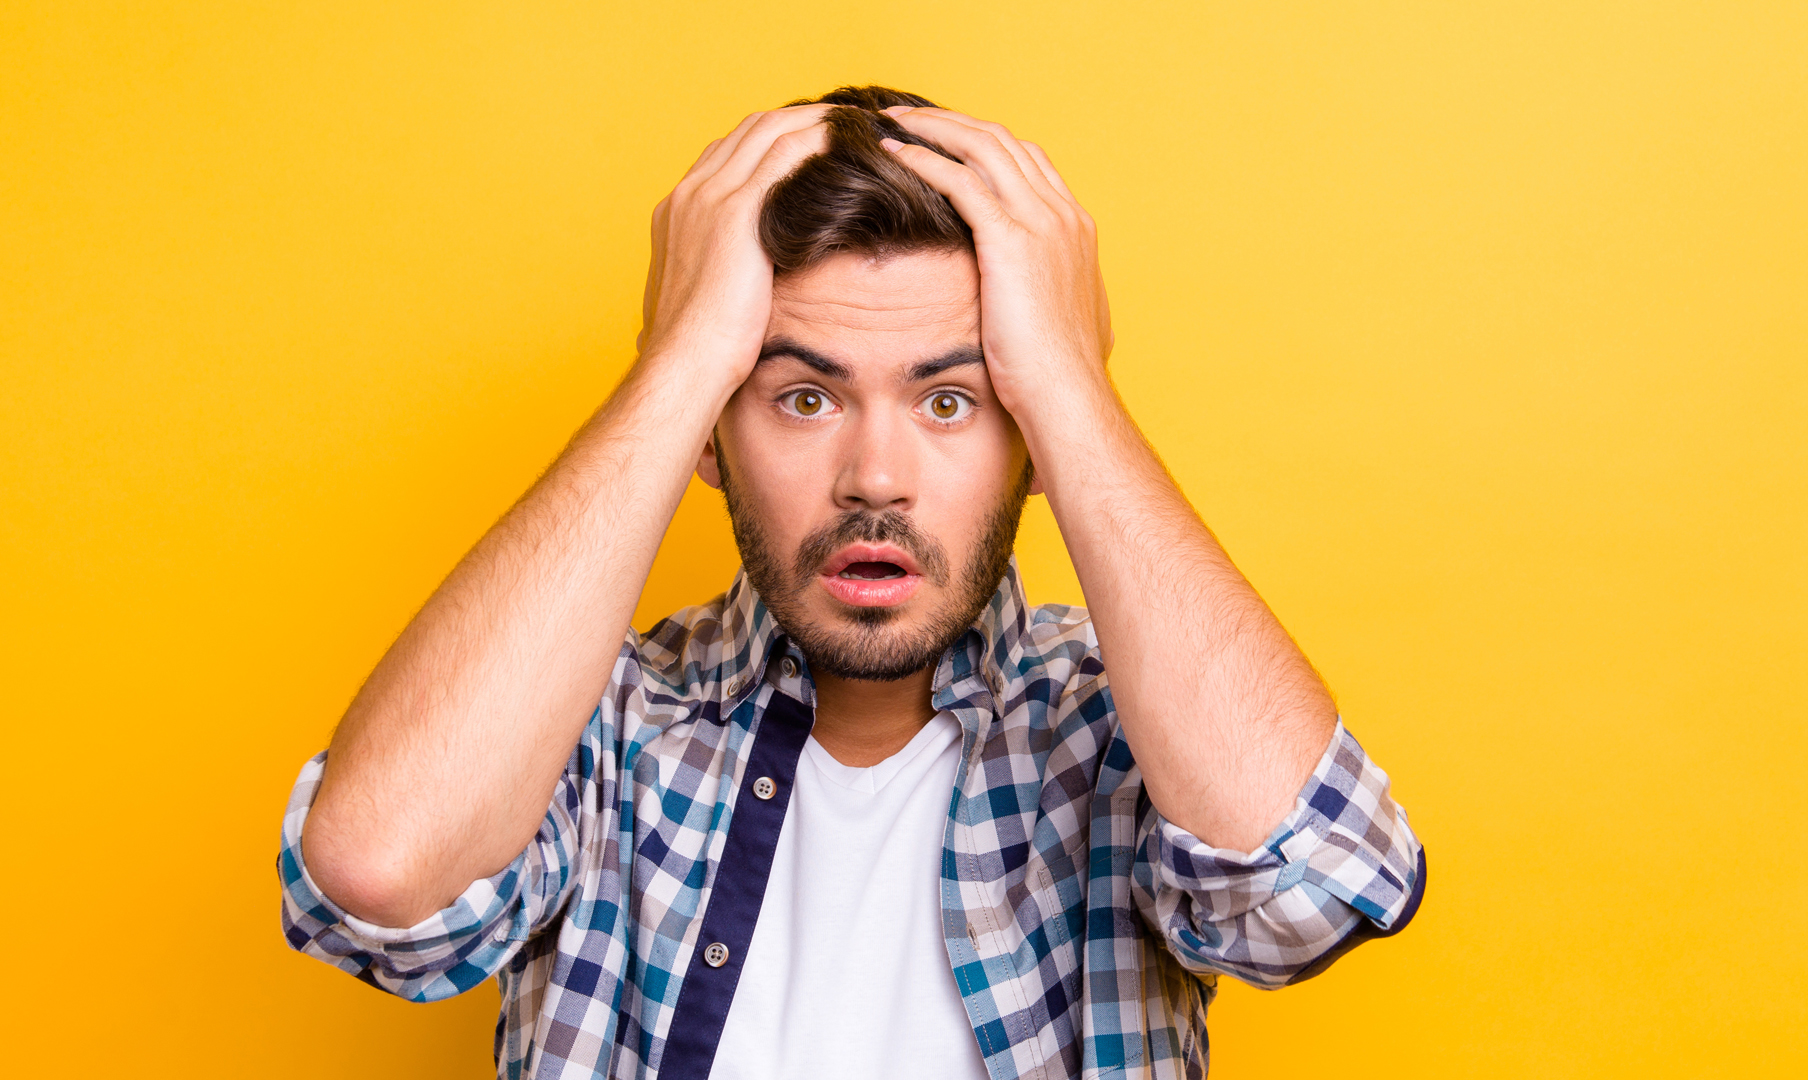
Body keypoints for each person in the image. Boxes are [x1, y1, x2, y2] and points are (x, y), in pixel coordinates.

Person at [277, 85, 1425, 1080]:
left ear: (1031, 439)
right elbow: (380, 881)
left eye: (950, 400)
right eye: (803, 396)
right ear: (710, 436)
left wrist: (1073, 385)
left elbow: (1317, 885)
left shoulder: (1120, 729)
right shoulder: (593, 726)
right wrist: (677, 360)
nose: (875, 478)